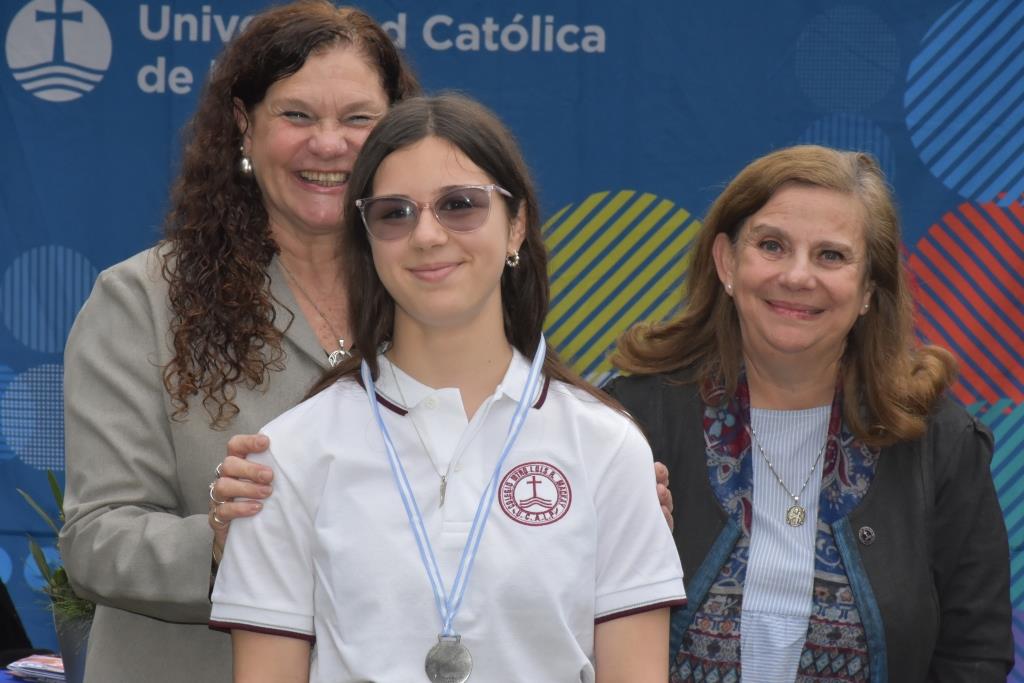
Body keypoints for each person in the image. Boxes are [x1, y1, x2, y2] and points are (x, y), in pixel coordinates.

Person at [209, 93, 686, 682]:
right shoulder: (291, 452)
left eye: (460, 205)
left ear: (516, 227)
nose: (427, 235)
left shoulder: (608, 446)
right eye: (394, 213)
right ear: (368, 242)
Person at [58, 3, 419, 682]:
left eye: (358, 118)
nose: (330, 143)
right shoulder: (142, 300)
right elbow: (95, 541)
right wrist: (222, 543)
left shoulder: (438, 293)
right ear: (242, 125)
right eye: (298, 116)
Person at [604, 144, 1013, 681]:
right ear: (727, 261)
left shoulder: (938, 441)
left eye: (831, 256)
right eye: (772, 246)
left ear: (869, 288)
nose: (798, 276)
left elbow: (973, 655)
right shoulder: (631, 419)